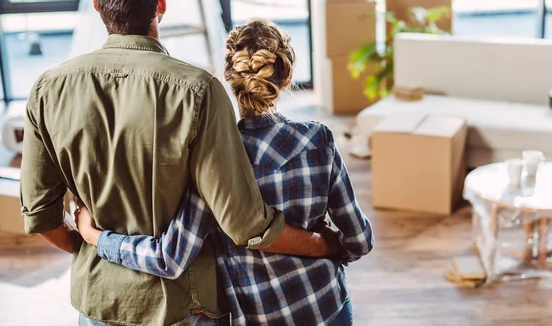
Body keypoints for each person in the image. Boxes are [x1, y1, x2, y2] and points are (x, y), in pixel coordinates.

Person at [19, 0, 340, 326]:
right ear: (161, 4)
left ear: (98, 8)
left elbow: (39, 214)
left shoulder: (48, 89)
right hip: (184, 306)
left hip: (98, 301)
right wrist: (321, 244)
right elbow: (244, 224)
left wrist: (90, 245)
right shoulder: (198, 91)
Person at [75, 19, 375, 325]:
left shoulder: (213, 159)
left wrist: (97, 237)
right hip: (328, 307)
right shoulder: (318, 140)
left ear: (230, 79)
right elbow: (360, 239)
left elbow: (169, 257)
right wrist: (328, 248)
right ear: (286, 79)